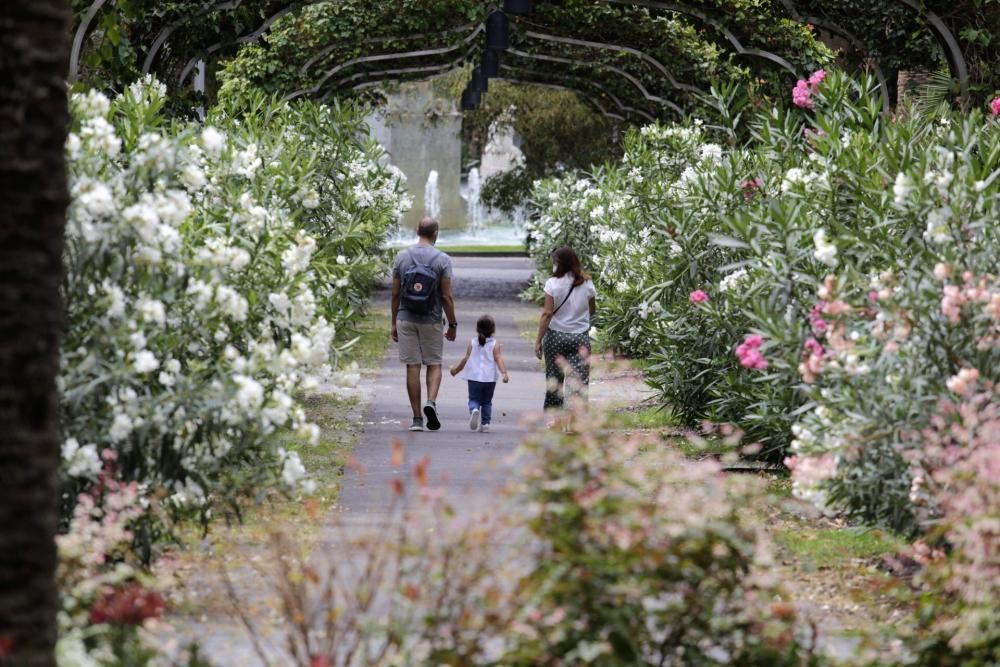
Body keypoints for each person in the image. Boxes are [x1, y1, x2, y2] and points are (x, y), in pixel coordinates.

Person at [391, 217, 458, 431]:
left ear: (416, 231)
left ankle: (417, 419)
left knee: (413, 366)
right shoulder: (442, 260)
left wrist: (393, 322)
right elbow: (446, 296)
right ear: (436, 233)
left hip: (406, 317)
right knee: (434, 363)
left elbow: (394, 294)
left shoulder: (402, 257)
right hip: (432, 319)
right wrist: (453, 324)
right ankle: (431, 401)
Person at [534, 246, 597, 415]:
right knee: (579, 381)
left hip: (555, 337)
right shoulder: (587, 282)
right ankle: (576, 419)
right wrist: (578, 318)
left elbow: (547, 313)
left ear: (558, 264)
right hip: (580, 338)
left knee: (554, 379)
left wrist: (538, 340)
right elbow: (592, 309)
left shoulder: (552, 284)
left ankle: (555, 419)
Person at [450, 314, 510, 433]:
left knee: (474, 399)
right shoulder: (495, 344)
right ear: (493, 329)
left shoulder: (472, 342)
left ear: (477, 328)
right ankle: (485, 424)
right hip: (489, 378)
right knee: (487, 402)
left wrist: (456, 370)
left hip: (474, 377)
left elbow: (466, 359)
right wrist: (504, 373)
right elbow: (499, 359)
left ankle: (474, 410)